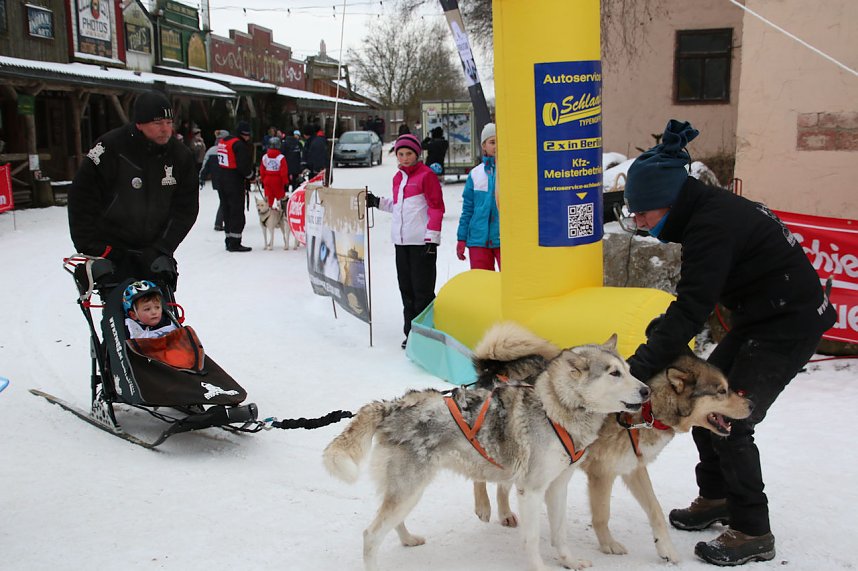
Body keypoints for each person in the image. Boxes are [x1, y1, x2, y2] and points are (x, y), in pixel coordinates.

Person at [623, 119, 836, 566]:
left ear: (669, 201)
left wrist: (636, 370)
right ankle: (717, 496)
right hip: (761, 315)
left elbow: (691, 308)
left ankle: (753, 530)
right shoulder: (703, 212)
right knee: (703, 401)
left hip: (789, 322)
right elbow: (695, 298)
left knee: (730, 417)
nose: (639, 222)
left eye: (643, 212)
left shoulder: (711, 225)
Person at [67, 90, 199, 290]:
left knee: (158, 315)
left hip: (154, 251)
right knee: (120, 314)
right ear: (139, 123)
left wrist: (163, 247)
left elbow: (186, 208)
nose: (165, 129)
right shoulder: (110, 148)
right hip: (112, 250)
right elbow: (82, 196)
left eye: (169, 123)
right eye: (157, 123)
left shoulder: (180, 156)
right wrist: (91, 245)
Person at [366, 134, 445, 349]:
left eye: (409, 153)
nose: (404, 158)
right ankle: (410, 332)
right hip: (401, 243)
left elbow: (436, 207)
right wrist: (377, 203)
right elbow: (399, 205)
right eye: (400, 154)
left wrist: (432, 239)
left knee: (422, 291)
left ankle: (426, 334)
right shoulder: (398, 178)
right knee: (406, 289)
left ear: (417, 154)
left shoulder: (426, 176)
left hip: (422, 244)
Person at [456, 123, 499, 270]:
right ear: (484, 146)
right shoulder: (475, 174)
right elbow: (467, 209)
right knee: (483, 285)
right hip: (478, 240)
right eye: (492, 142)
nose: (497, 146)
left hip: (504, 240)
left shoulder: (511, 172)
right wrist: (461, 238)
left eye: (501, 141)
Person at [216, 121, 255, 252]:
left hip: (221, 178)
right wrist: (251, 175)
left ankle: (228, 239)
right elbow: (243, 166)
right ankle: (235, 242)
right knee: (236, 211)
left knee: (226, 209)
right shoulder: (239, 145)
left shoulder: (224, 141)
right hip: (234, 181)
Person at [199, 129, 230, 231]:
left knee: (223, 200)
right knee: (225, 201)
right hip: (228, 179)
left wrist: (202, 178)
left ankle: (220, 222)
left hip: (216, 180)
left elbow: (205, 166)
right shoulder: (229, 149)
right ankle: (220, 222)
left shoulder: (211, 150)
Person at [259, 136, 289, 207]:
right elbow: (283, 171)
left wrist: (263, 179)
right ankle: (282, 214)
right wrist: (285, 181)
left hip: (267, 179)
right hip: (278, 180)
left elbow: (262, 169)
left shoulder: (265, 157)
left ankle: (268, 215)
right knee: (281, 199)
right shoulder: (281, 157)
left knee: (268, 200)